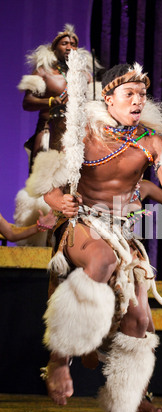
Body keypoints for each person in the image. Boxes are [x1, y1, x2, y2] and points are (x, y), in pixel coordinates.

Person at [26, 60, 162, 412]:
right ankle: (59, 359)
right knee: (102, 257)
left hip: (124, 236)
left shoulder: (152, 141)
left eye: (142, 94)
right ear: (108, 97)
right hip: (82, 226)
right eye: (129, 93)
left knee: (140, 323)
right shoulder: (81, 133)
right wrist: (59, 203)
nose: (138, 100)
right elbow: (45, 185)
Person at [15, 25, 100, 246]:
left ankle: (68, 239)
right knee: (44, 184)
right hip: (47, 132)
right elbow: (27, 102)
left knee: (73, 186)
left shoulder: (85, 77)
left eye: (73, 44)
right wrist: (52, 102)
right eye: (65, 43)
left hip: (75, 137)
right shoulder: (43, 72)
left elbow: (97, 104)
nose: (70, 47)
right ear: (55, 48)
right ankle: (37, 239)